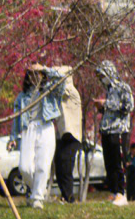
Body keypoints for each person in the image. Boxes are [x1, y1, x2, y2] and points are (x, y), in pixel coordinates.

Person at [10, 65, 66, 209]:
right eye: (32, 74)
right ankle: (32, 189)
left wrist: (45, 68)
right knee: (25, 167)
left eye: (38, 74)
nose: (35, 77)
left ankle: (37, 198)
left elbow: (61, 79)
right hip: (28, 129)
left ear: (42, 75)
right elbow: (16, 118)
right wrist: (13, 138)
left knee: (43, 166)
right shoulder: (22, 97)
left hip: (46, 127)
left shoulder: (50, 91)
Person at [92, 60, 134, 207]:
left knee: (118, 162)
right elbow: (111, 110)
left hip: (119, 130)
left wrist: (107, 104)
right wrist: (101, 107)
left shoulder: (123, 87)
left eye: (103, 75)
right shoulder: (109, 90)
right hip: (107, 131)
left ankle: (122, 193)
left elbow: (128, 106)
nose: (102, 79)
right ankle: (114, 191)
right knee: (109, 163)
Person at [52, 66, 82, 204]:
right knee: (59, 162)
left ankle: (70, 197)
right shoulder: (60, 91)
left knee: (66, 163)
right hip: (63, 133)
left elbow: (59, 90)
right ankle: (65, 195)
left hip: (73, 134)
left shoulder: (70, 90)